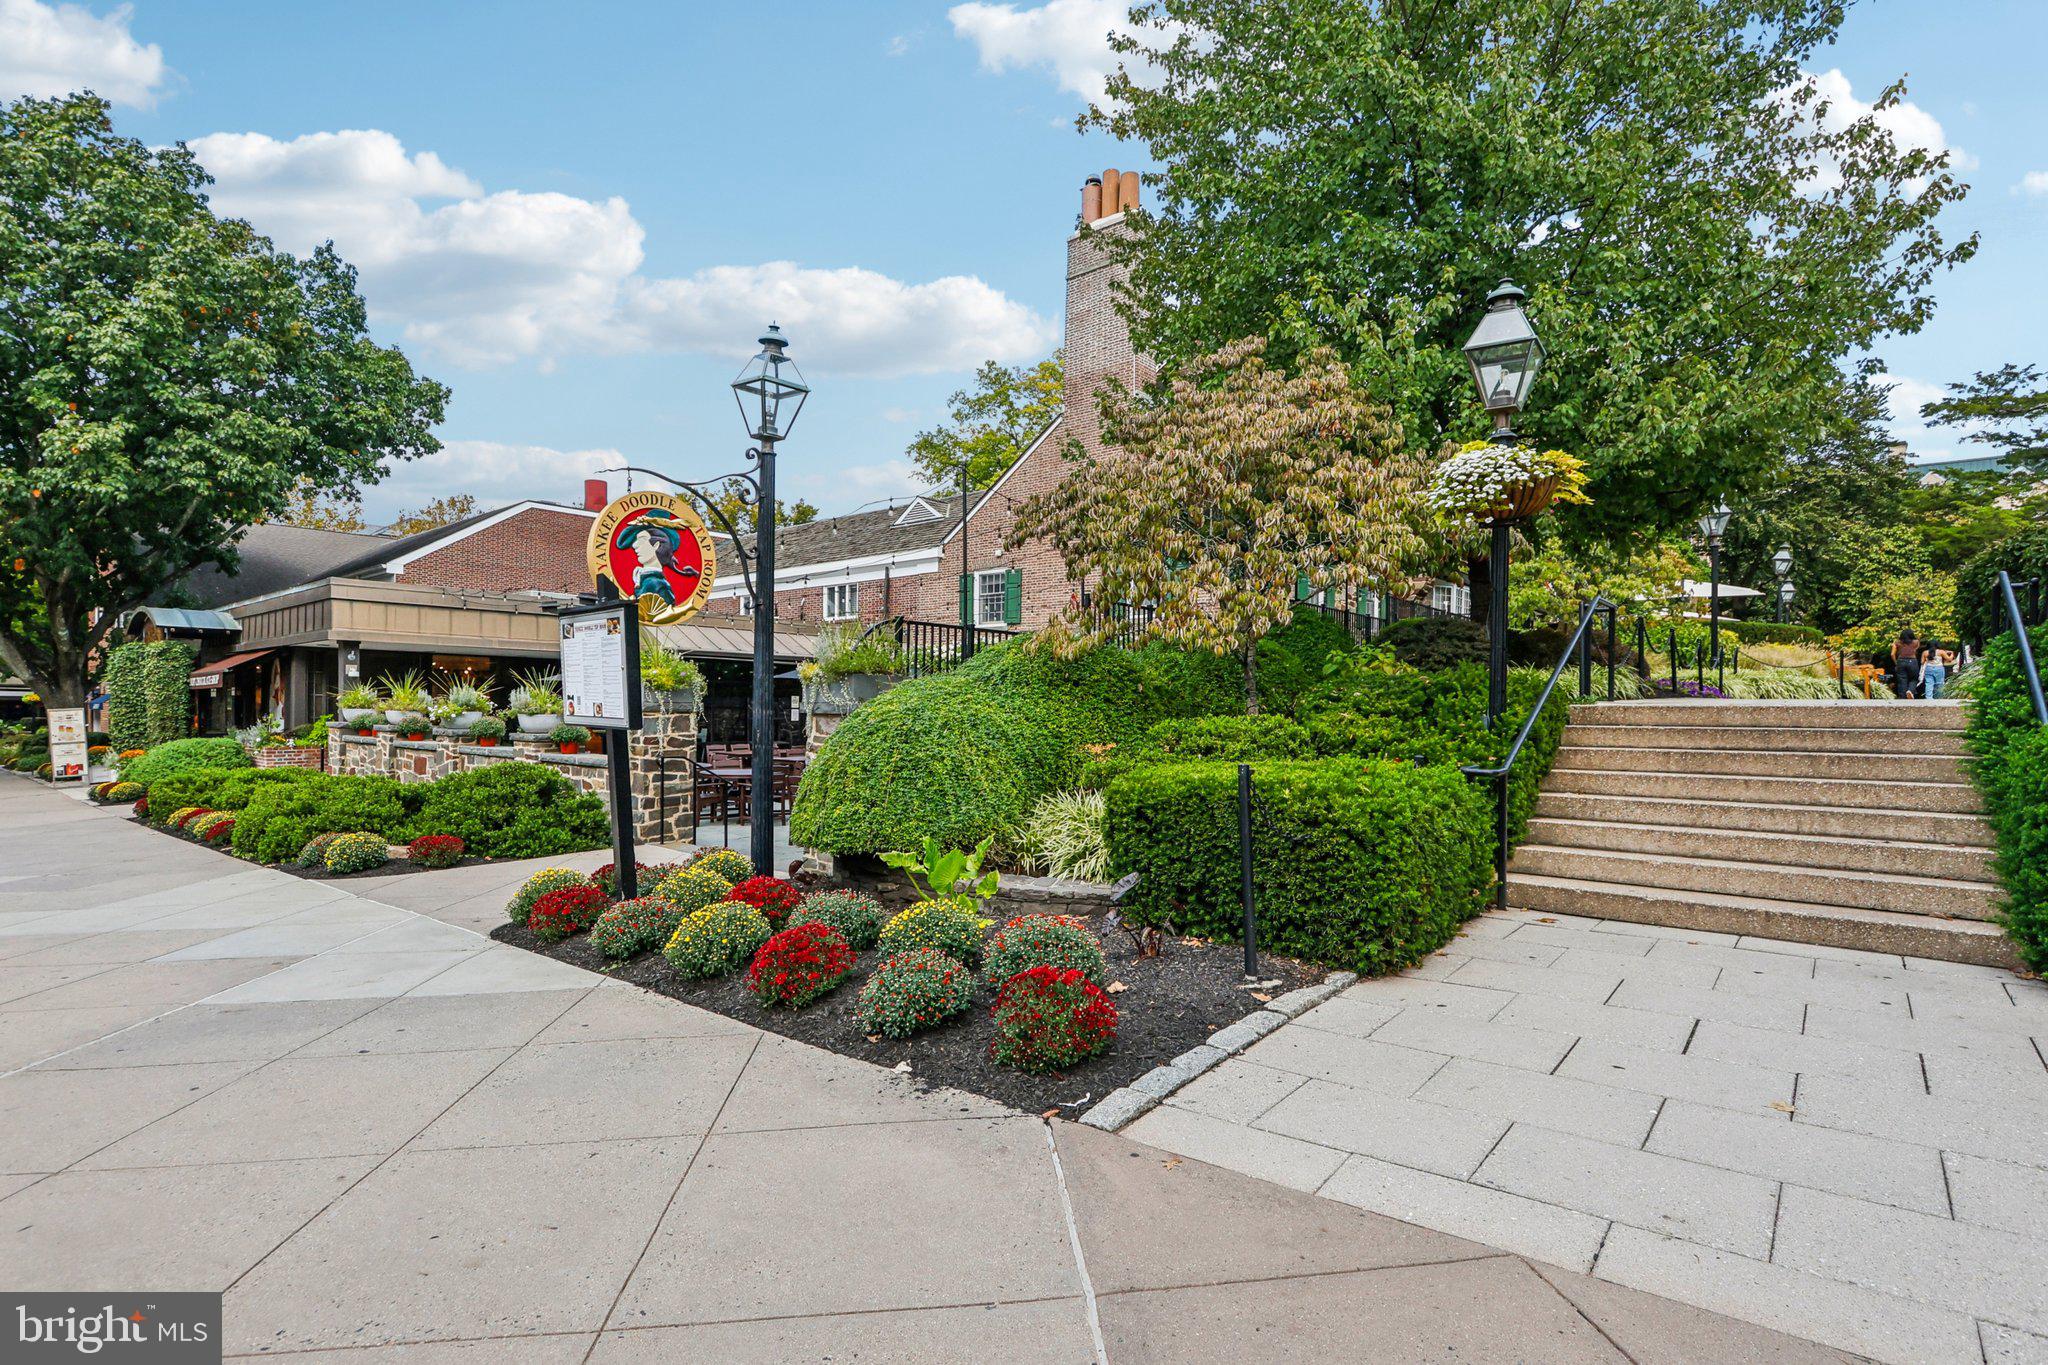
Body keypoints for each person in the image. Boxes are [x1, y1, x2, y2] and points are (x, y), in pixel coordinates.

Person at [1891, 628, 1919, 700]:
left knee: (1902, 680)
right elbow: (1915, 650)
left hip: (1901, 661)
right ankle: (1910, 690)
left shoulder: (1897, 643)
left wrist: (1896, 663)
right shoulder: (1916, 642)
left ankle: (1903, 698)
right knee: (1914, 679)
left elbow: (1892, 654)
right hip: (1912, 661)